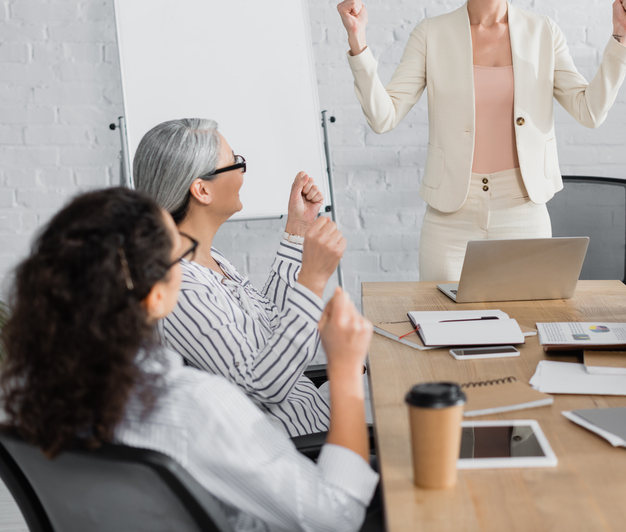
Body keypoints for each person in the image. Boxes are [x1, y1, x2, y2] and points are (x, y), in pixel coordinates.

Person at [0, 187, 377, 532]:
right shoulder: (197, 405)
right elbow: (339, 517)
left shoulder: (27, 399)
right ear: (156, 298)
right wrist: (344, 371)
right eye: (180, 253)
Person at [336, 0, 626, 281]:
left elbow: (590, 111)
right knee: (445, 327)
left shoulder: (543, 32)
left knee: (527, 329)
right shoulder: (432, 33)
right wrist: (358, 42)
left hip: (522, 211)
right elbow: (384, 117)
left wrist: (620, 37)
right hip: (450, 217)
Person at [133, 118, 346, 437]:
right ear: (201, 190)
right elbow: (263, 385)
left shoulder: (207, 259)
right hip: (296, 455)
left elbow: (269, 328)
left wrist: (296, 231)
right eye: (235, 163)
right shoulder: (181, 289)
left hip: (316, 431)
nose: (242, 171)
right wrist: (312, 282)